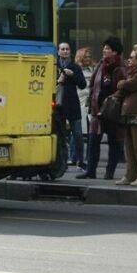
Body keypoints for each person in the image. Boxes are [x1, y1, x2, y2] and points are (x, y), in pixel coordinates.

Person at [82, 36, 127, 180]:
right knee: (93, 140)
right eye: (104, 48)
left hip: (113, 111)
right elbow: (93, 85)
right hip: (97, 110)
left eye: (107, 48)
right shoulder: (100, 65)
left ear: (115, 52)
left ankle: (109, 172)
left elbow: (123, 88)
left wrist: (113, 100)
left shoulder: (121, 67)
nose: (104, 50)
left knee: (114, 142)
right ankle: (90, 171)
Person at [114, 44, 137, 186]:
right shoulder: (133, 72)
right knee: (129, 147)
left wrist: (122, 83)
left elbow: (128, 85)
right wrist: (123, 84)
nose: (128, 60)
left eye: (132, 57)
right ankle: (130, 174)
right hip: (129, 114)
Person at [53, 42, 87, 177]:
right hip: (58, 105)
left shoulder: (75, 66)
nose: (65, 51)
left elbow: (83, 84)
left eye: (67, 49)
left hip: (72, 104)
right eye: (62, 49)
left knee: (78, 134)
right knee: (61, 136)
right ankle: (62, 162)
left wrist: (72, 74)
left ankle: (80, 161)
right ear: (58, 51)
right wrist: (59, 79)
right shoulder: (54, 66)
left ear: (70, 51)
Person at [75, 47, 95, 172]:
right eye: (85, 57)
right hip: (80, 104)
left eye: (89, 57)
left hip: (90, 105)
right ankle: (79, 159)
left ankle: (86, 159)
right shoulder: (77, 70)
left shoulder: (93, 69)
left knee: (90, 135)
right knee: (79, 135)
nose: (88, 59)